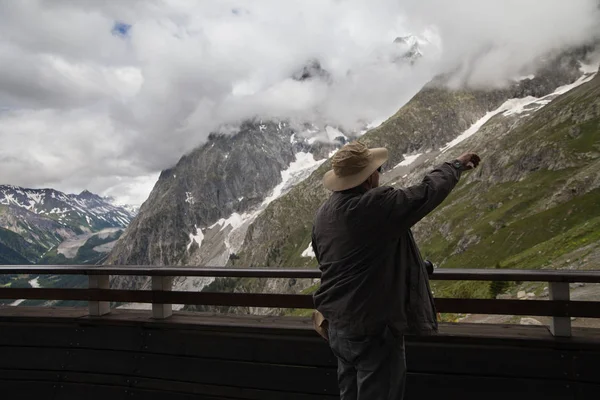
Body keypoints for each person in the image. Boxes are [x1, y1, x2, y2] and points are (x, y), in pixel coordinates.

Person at [310, 141, 480, 400]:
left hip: (337, 325)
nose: (380, 173)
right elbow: (425, 193)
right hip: (372, 327)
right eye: (377, 169)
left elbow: (348, 260)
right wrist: (454, 165)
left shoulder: (324, 213)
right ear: (368, 178)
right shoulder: (376, 205)